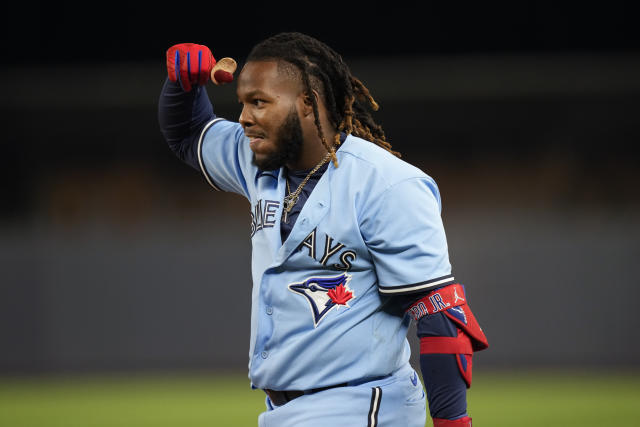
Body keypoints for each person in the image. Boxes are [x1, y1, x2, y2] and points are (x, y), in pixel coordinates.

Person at [158, 32, 488, 427]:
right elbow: (188, 134)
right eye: (243, 103)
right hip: (286, 412)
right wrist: (183, 85)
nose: (244, 117)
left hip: (359, 405)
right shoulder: (257, 159)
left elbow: (441, 318)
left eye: (259, 102)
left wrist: (453, 422)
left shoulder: (386, 184)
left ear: (309, 104)